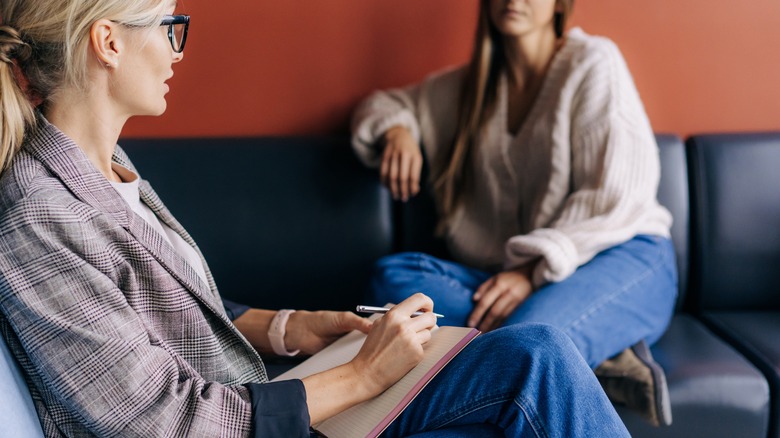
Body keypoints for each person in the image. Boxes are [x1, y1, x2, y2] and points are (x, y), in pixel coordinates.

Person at [0, 0, 631, 436]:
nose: (177, 48)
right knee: (534, 372)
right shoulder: (39, 219)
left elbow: (172, 314)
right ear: (108, 42)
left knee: (534, 355)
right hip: (253, 421)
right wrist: (361, 377)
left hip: (265, 399)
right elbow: (171, 425)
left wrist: (292, 328)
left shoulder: (106, 169)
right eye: (171, 26)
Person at [351, 0, 677, 427]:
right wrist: (398, 131)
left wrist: (531, 273)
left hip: (622, 255)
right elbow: (382, 105)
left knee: (529, 350)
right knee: (392, 282)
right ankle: (599, 358)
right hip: (516, 279)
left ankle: (564, 342)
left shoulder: (593, 62)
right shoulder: (470, 89)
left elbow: (618, 195)